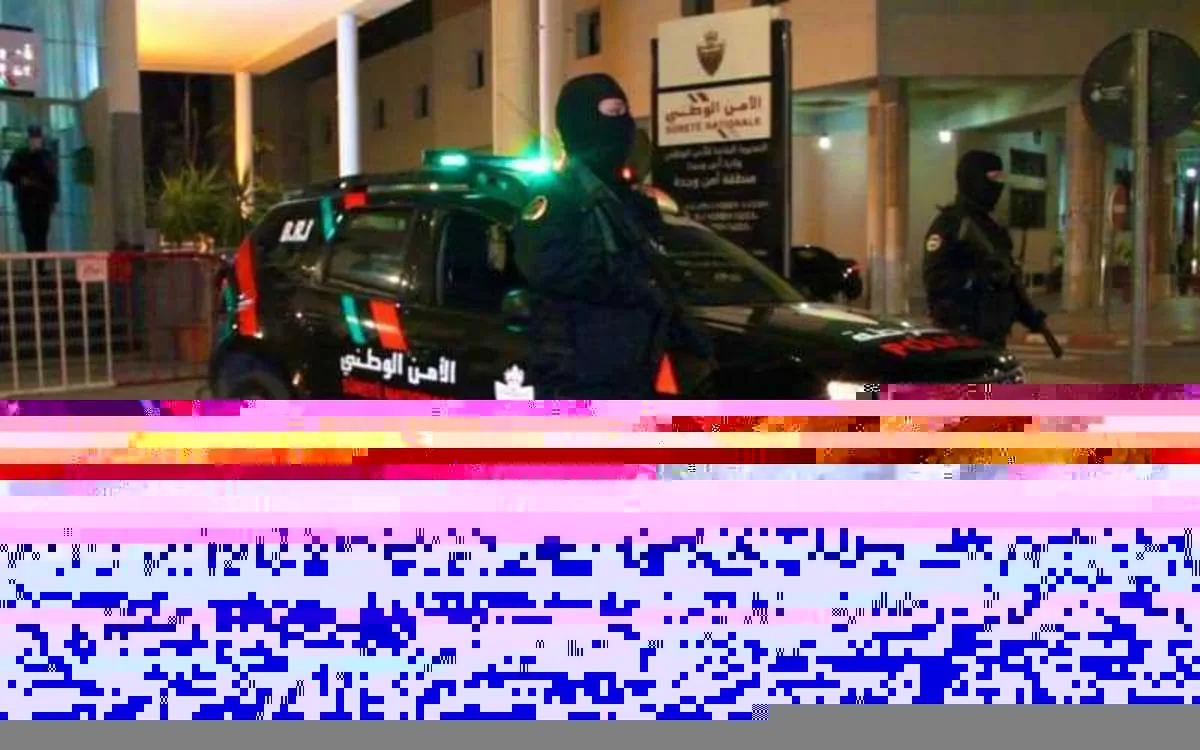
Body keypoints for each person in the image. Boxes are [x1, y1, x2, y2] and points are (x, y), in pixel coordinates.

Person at [511, 73, 713, 399]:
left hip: (634, 368)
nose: (622, 123)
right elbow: (548, 265)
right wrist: (628, 283)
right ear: (581, 120)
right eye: (612, 112)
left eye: (624, 112)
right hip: (579, 372)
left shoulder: (629, 199)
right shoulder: (557, 195)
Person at [922, 149, 1047, 348]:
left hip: (992, 335)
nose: (998, 185)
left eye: (1001, 178)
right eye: (993, 178)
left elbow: (1008, 281)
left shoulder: (992, 229)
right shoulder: (951, 224)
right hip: (959, 334)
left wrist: (1030, 316)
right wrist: (978, 278)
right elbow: (934, 279)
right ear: (973, 178)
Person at [3, 125, 59, 254]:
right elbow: (8, 174)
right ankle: (33, 264)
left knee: (42, 235)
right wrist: (21, 180)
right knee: (30, 236)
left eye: (37, 138)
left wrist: (53, 200)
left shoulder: (46, 155)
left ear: (41, 139)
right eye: (32, 138)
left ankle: (40, 264)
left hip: (43, 201)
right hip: (26, 201)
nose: (35, 141)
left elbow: (53, 179)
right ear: (28, 139)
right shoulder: (20, 155)